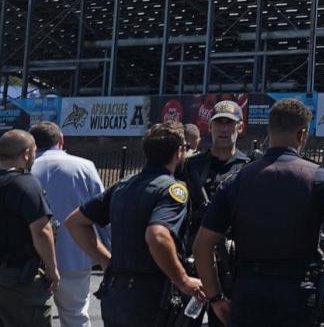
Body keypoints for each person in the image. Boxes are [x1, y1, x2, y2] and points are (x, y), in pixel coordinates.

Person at [192, 99, 324, 327]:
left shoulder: (238, 180)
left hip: (248, 291)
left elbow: (202, 246)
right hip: (298, 293)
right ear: (301, 135)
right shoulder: (319, 178)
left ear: (269, 131)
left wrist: (216, 297)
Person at [66, 123, 201, 327]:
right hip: (150, 298)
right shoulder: (172, 190)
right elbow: (157, 236)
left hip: (116, 295)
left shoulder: (123, 186)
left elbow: (75, 222)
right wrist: (182, 280)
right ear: (179, 152)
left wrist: (105, 260)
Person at [180, 101, 250, 327]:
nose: (223, 129)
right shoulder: (191, 167)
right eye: (218, 123)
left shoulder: (248, 168)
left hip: (230, 266)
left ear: (239, 127)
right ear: (209, 127)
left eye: (229, 124)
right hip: (192, 263)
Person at [30, 122, 102, 327]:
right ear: (61, 140)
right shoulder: (84, 166)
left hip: (32, 259)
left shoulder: (24, 169)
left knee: (30, 317)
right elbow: (101, 211)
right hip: (75, 254)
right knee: (76, 315)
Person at [0, 130, 58, 327]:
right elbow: (42, 230)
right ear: (26, 154)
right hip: (19, 277)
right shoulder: (25, 183)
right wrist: (52, 268)